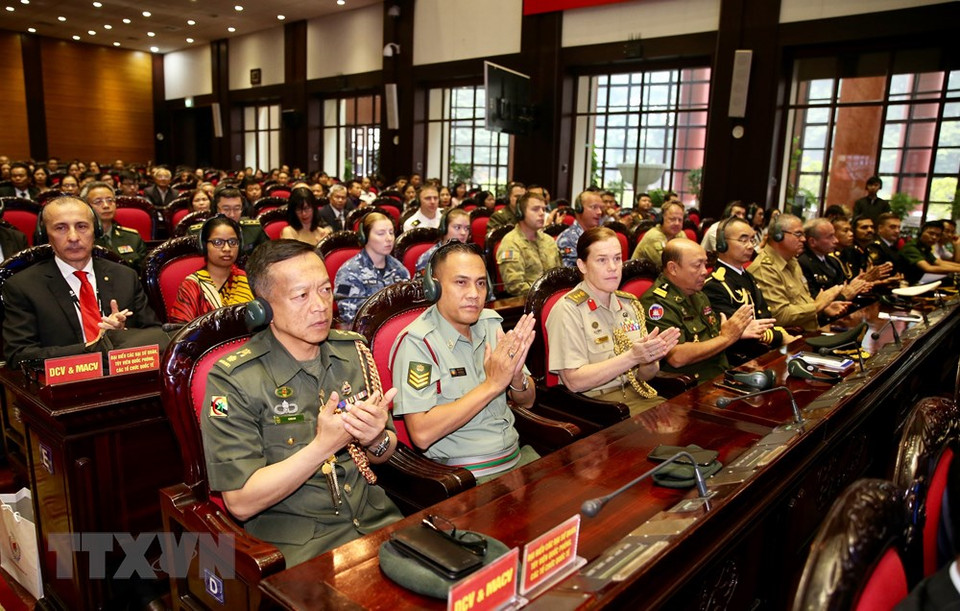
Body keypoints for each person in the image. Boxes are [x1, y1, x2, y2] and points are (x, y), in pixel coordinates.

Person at [201, 239, 403, 567]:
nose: (320, 306)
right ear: (263, 307)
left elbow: (385, 451)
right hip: (299, 549)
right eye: (301, 295)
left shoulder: (352, 352)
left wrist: (375, 439)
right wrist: (323, 446)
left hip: (377, 522)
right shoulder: (233, 380)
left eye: (325, 290)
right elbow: (240, 502)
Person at [390, 242, 539, 482]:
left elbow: (528, 401)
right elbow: (422, 433)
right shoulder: (418, 342)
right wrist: (492, 384)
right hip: (465, 477)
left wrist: (516, 378)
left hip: (518, 459)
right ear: (434, 287)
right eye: (461, 282)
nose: (474, 294)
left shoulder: (491, 324)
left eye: (480, 283)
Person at [2, 196, 168, 366]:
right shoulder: (22, 286)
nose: (73, 237)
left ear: (95, 230)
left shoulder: (125, 276)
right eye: (61, 228)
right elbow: (19, 355)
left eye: (82, 226)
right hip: (65, 386)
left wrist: (124, 335)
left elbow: (155, 334)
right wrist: (93, 348)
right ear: (45, 234)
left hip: (125, 380)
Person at [547, 227, 681, 415]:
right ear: (582, 265)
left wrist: (651, 358)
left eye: (617, 258)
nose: (613, 267)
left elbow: (646, 376)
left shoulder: (629, 304)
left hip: (639, 396)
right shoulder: (568, 310)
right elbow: (574, 381)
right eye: (602, 260)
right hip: (596, 408)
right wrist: (633, 357)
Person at [640, 240, 774, 383]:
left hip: (721, 375)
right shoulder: (657, 303)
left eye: (705, 264)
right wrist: (727, 337)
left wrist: (737, 332)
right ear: (673, 268)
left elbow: (714, 336)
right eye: (697, 265)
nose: (705, 271)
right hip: (691, 387)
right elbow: (676, 357)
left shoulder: (698, 295)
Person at [702, 218, 798, 363]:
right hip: (742, 359)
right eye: (743, 240)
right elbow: (739, 332)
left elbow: (765, 316)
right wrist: (781, 337)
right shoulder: (715, 285)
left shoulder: (747, 276)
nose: (750, 246)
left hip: (764, 351)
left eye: (752, 240)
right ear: (722, 244)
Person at [748, 213, 850, 330]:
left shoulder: (792, 261)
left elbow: (801, 302)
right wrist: (817, 305)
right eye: (798, 234)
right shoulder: (765, 268)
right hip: (791, 341)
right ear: (778, 236)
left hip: (811, 331)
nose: (803, 239)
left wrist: (825, 308)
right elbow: (779, 315)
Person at [169, 216, 254, 324]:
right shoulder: (193, 285)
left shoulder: (248, 280)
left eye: (233, 242)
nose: (227, 248)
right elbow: (181, 332)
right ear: (204, 246)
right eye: (218, 242)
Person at [334, 212, 410, 324]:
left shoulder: (400, 270)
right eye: (381, 233)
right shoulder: (348, 272)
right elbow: (347, 312)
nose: (389, 238)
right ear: (365, 236)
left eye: (391, 232)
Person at [496, 192, 561, 296]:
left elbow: (560, 274)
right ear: (520, 213)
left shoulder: (549, 240)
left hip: (554, 299)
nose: (542, 213)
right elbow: (515, 286)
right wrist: (547, 293)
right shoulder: (511, 243)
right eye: (535, 209)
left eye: (543, 209)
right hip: (526, 303)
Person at [798, 218, 872, 300]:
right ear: (813, 242)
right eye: (830, 237)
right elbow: (812, 299)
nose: (836, 240)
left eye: (834, 235)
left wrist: (856, 287)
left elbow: (843, 286)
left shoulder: (833, 261)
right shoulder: (803, 263)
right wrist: (845, 294)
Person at [82, 181, 147, 270]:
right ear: (86, 207)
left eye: (110, 200)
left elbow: (142, 273)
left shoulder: (132, 237)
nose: (106, 206)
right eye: (98, 202)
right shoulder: (81, 239)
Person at [188, 187, 269, 258]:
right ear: (215, 209)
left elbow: (268, 256)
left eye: (237, 209)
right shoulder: (198, 232)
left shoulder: (254, 229)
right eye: (226, 209)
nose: (232, 215)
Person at [899, 220, 960, 285]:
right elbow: (928, 268)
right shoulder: (911, 247)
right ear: (921, 232)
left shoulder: (925, 247)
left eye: (938, 235)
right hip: (906, 285)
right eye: (931, 233)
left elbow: (939, 262)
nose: (934, 237)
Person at [632, 201, 687, 269]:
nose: (677, 223)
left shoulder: (680, 234)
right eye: (672, 219)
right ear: (662, 219)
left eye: (680, 220)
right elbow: (667, 266)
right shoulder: (654, 237)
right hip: (642, 277)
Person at [556, 190, 605, 267]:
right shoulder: (567, 239)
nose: (599, 212)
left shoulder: (602, 235)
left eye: (601, 208)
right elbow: (570, 275)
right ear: (579, 209)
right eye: (594, 207)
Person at [414, 208, 471, 273]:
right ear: (444, 229)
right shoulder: (429, 259)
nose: (463, 233)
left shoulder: (471, 256)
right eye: (457, 227)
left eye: (467, 228)